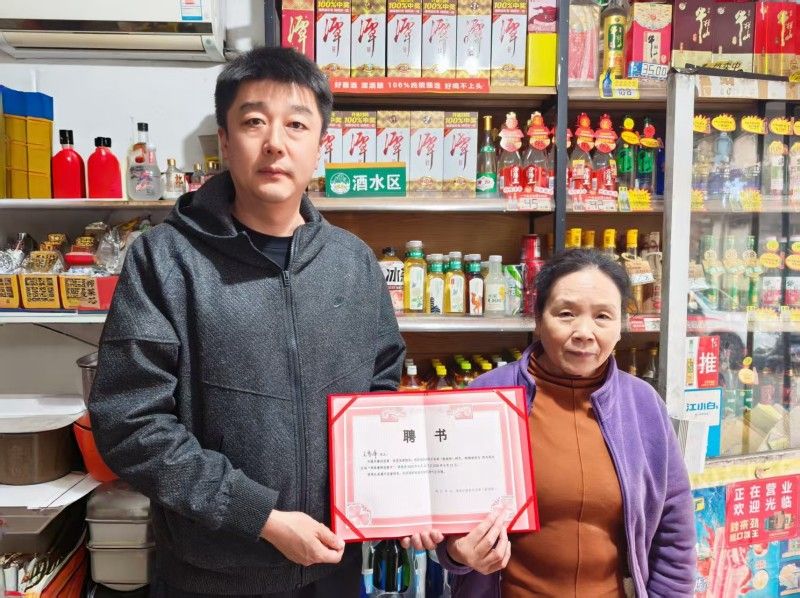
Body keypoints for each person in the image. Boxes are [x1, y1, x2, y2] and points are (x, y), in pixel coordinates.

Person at [88, 47, 407, 597]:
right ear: (225, 139)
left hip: (333, 562)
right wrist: (260, 517)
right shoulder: (166, 260)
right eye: (254, 121)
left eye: (297, 124)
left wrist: (400, 496)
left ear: (320, 145)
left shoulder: (352, 262)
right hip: (210, 576)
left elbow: (382, 385)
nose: (275, 143)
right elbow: (130, 422)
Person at [435, 249, 697, 597]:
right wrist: (456, 553)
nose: (584, 332)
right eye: (566, 314)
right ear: (538, 319)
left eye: (603, 316)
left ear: (620, 327)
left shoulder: (643, 405)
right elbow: (446, 515)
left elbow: (673, 523)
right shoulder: (486, 396)